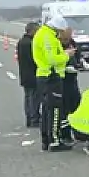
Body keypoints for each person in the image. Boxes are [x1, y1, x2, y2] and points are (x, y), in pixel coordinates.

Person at [32, 15, 76, 152]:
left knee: (46, 111)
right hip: (51, 77)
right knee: (55, 110)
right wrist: (67, 55)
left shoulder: (44, 34)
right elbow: (52, 59)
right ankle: (55, 141)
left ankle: (47, 140)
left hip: (46, 76)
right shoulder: (48, 37)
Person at [17, 22, 41, 126]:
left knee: (28, 97)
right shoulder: (31, 43)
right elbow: (34, 59)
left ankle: (29, 118)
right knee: (34, 97)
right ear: (32, 31)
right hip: (32, 74)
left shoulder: (21, 42)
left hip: (24, 73)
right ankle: (34, 118)